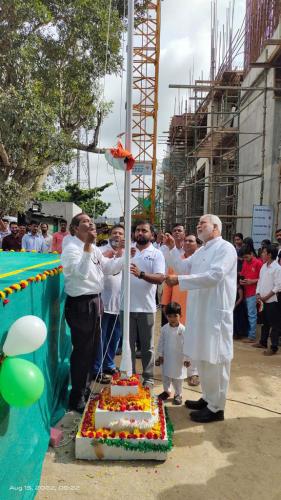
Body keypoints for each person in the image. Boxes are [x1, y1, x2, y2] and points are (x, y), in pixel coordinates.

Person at [164, 214, 237, 423]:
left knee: (217, 360)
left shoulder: (225, 248)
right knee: (203, 357)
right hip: (200, 312)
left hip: (215, 312)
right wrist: (171, 250)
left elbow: (215, 276)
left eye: (202, 223)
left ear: (215, 227)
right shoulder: (203, 250)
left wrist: (179, 280)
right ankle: (207, 398)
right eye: (197, 223)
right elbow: (184, 268)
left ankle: (217, 408)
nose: (198, 226)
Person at [61, 213, 124, 413]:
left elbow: (108, 268)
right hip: (82, 304)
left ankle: (85, 387)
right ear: (75, 228)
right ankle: (76, 396)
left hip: (96, 301)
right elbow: (81, 273)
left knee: (92, 349)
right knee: (82, 351)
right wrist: (88, 246)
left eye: (91, 221)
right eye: (85, 222)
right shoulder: (71, 248)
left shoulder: (94, 248)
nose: (90, 224)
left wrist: (124, 254)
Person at [120, 220, 165, 388]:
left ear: (152, 235)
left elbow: (160, 277)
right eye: (138, 230)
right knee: (127, 345)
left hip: (146, 308)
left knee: (147, 346)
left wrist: (141, 274)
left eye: (144, 230)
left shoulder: (156, 254)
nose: (140, 233)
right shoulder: (127, 250)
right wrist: (122, 255)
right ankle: (129, 375)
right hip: (126, 307)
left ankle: (148, 377)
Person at [162, 233, 201, 386]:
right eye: (185, 241)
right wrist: (165, 303)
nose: (187, 243)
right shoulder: (176, 261)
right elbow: (168, 283)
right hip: (177, 307)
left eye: (191, 241)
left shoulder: (200, 262)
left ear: (197, 244)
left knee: (194, 340)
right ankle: (177, 370)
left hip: (195, 307)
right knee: (178, 340)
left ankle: (193, 372)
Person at [94, 224, 125, 380]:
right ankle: (97, 367)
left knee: (115, 336)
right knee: (101, 336)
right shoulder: (100, 251)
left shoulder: (128, 253)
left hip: (120, 303)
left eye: (120, 233)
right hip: (104, 301)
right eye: (114, 233)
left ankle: (109, 364)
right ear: (109, 235)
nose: (117, 236)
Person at [156, 302, 190, 405]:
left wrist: (187, 359)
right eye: (169, 316)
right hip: (167, 358)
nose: (172, 318)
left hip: (179, 359)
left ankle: (178, 394)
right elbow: (161, 342)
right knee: (166, 376)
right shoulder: (164, 329)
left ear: (180, 315)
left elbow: (187, 345)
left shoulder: (183, 330)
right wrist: (160, 355)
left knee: (177, 378)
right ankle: (167, 391)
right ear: (166, 316)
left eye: (175, 316)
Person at [253, 244, 281, 355]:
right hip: (262, 300)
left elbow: (278, 286)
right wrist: (258, 294)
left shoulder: (277, 268)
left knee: (274, 324)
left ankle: (273, 347)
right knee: (264, 322)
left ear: (269, 254)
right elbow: (260, 281)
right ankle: (263, 342)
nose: (262, 254)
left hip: (272, 300)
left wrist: (266, 297)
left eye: (264, 252)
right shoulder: (264, 266)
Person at [239, 244, 263, 343]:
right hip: (246, 292)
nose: (245, 259)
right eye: (244, 257)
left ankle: (252, 336)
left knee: (252, 314)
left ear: (252, 254)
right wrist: (242, 281)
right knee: (249, 314)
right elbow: (243, 274)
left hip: (254, 292)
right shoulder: (245, 262)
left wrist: (252, 281)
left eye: (247, 257)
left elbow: (263, 278)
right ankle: (249, 333)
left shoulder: (258, 263)